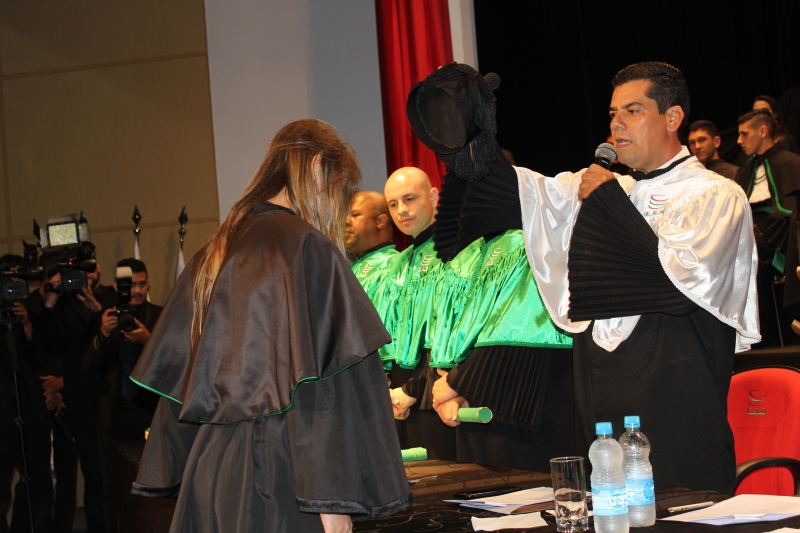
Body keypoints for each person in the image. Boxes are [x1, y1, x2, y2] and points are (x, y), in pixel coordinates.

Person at [129, 118, 411, 533]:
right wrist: (332, 503)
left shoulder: (214, 250)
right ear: (316, 167)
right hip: (281, 478)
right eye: (337, 189)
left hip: (211, 473)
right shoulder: (304, 246)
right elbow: (322, 386)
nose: (334, 207)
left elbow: (181, 386)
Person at [518, 62, 758, 494]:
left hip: (676, 400)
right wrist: (469, 141)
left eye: (632, 110)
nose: (616, 124)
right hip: (604, 396)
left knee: (683, 512)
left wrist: (607, 198)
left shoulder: (717, 193)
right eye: (613, 113)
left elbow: (677, 284)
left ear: (672, 117)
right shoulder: (612, 188)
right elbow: (526, 196)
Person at [404, 63, 574, 472]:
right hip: (478, 405)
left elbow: (519, 327)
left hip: (523, 410)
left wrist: (456, 383)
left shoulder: (528, 243)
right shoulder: (478, 254)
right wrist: (451, 384)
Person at [383, 167, 458, 461]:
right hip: (400, 399)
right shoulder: (397, 264)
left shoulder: (453, 253)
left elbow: (450, 330)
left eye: (409, 198)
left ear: (434, 197)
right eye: (393, 204)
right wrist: (391, 391)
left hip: (434, 391)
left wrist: (413, 389)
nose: (401, 210)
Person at [84, 258, 162, 533]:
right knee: (110, 489)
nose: (137, 290)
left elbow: (175, 363)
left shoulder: (161, 316)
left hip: (149, 414)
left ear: (148, 284)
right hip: (112, 416)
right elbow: (86, 369)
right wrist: (103, 334)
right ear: (118, 287)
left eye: (142, 284)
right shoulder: (105, 316)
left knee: (152, 487)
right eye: (131, 285)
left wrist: (149, 341)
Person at [0, 255, 56, 533]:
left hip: (30, 408)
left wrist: (27, 327)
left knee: (37, 482)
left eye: (19, 278)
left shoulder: (31, 313)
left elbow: (40, 360)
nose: (15, 284)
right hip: (3, 414)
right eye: (10, 278)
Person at [735, 109, 800, 344]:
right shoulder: (744, 172)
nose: (739, 140)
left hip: (782, 230)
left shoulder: (792, 163)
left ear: (762, 131)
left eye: (744, 134)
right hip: (753, 231)